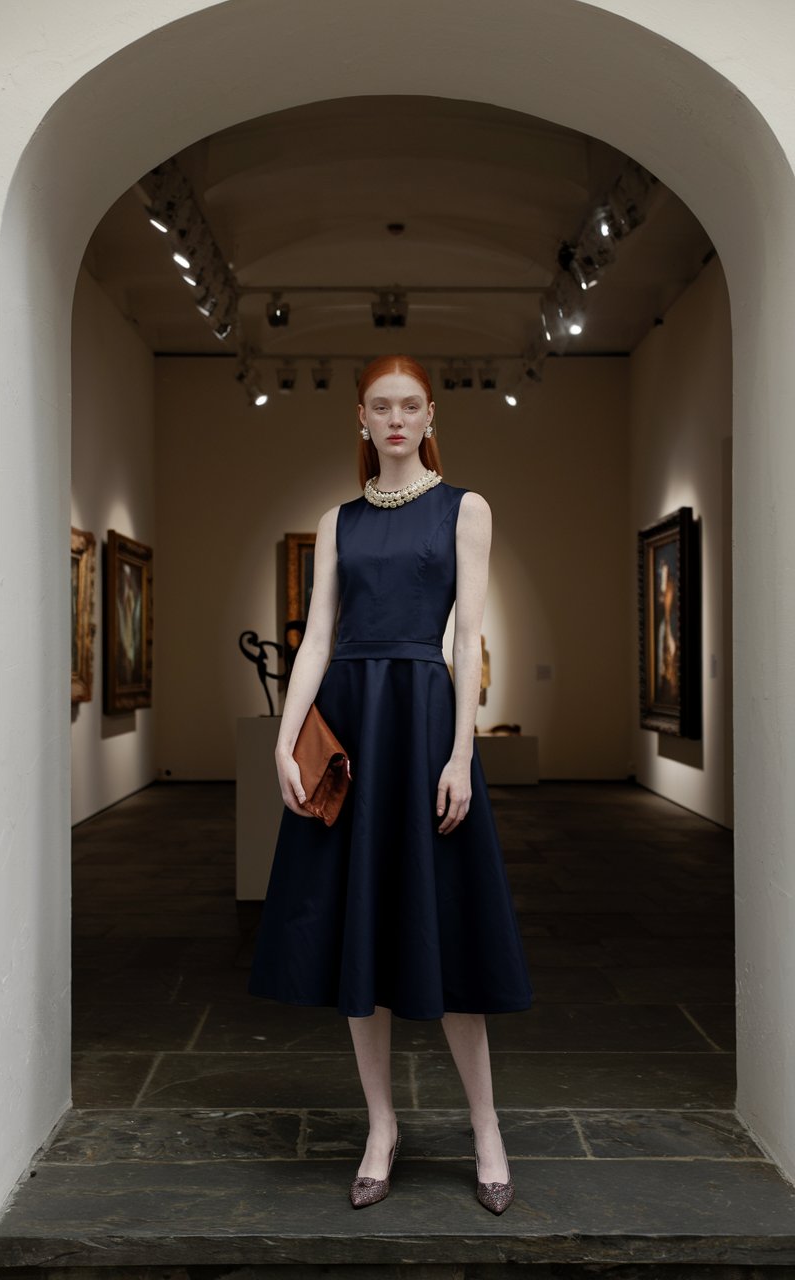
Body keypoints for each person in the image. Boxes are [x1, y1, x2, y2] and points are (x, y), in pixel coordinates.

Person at [248, 354, 533, 1213]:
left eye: (411, 405)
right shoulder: (337, 522)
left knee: (444, 927)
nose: (398, 419)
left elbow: (467, 642)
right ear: (362, 421)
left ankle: (486, 1126)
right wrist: (287, 738)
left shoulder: (465, 509)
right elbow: (315, 641)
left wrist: (461, 756)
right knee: (357, 933)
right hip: (352, 726)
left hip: (421, 725)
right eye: (382, 406)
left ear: (431, 414)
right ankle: (382, 1126)